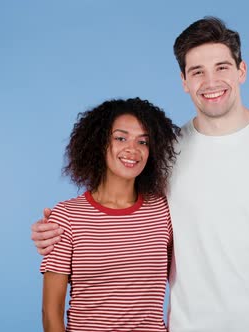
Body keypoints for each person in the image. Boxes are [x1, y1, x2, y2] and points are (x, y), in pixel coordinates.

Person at [33, 17, 249, 332]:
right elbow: (128, 223)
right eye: (197, 71)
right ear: (184, 81)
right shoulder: (168, 153)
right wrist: (58, 232)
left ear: (242, 71)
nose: (211, 81)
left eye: (222, 67)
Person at [40, 97, 179, 332]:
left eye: (143, 141)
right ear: (99, 143)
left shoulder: (164, 212)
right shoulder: (67, 217)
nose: (132, 149)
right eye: (121, 138)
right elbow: (51, 313)